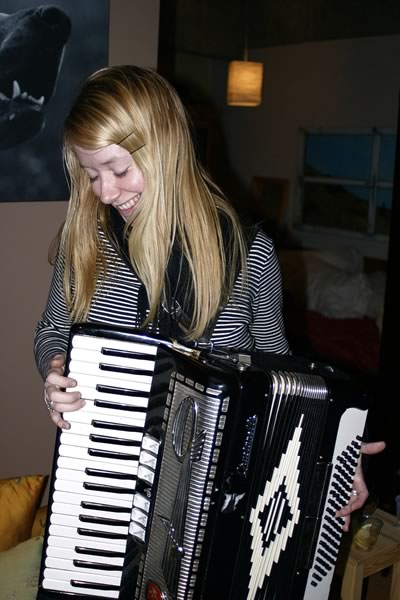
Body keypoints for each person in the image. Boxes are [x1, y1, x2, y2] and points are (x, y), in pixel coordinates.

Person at [33, 65, 384, 531]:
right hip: (103, 471)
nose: (105, 191)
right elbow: (51, 330)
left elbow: (277, 370)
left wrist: (331, 446)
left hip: (213, 488)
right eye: (91, 174)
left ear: (167, 147)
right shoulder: (85, 239)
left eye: (118, 169)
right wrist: (54, 369)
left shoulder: (248, 252)